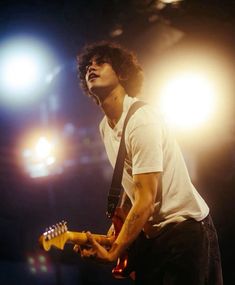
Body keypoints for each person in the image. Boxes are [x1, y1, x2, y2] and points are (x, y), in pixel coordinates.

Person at [76, 41, 223, 285]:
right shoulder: (105, 127)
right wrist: (120, 225)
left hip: (185, 232)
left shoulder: (141, 119)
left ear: (122, 72)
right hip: (153, 238)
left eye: (101, 62)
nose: (91, 68)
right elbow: (133, 179)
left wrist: (114, 252)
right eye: (87, 66)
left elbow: (146, 199)